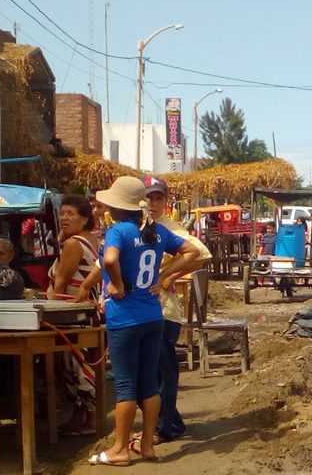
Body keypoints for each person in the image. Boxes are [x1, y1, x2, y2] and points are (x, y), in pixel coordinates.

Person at [88, 176, 198, 466]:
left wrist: (118, 285)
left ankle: (120, 449)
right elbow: (192, 252)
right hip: (153, 315)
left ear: (115, 208)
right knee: (150, 384)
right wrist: (163, 277)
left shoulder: (118, 232)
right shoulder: (157, 232)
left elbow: (110, 260)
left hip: (124, 318)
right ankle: (148, 445)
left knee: (125, 386)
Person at [140, 175, 211, 448]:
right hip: (146, 311)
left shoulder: (168, 228)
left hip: (164, 312)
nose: (153, 203)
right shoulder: (140, 226)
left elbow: (201, 254)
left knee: (162, 373)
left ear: (165, 201)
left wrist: (168, 275)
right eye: (149, 197)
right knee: (150, 373)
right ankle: (171, 423)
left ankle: (165, 427)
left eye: (158, 198)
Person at [47, 195, 101, 436]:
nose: (64, 218)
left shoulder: (73, 244)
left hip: (71, 314)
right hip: (88, 312)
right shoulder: (92, 240)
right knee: (83, 363)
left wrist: (53, 311)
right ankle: (83, 417)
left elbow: (61, 281)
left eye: (71, 214)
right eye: (62, 213)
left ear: (85, 218)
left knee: (74, 364)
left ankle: (87, 420)